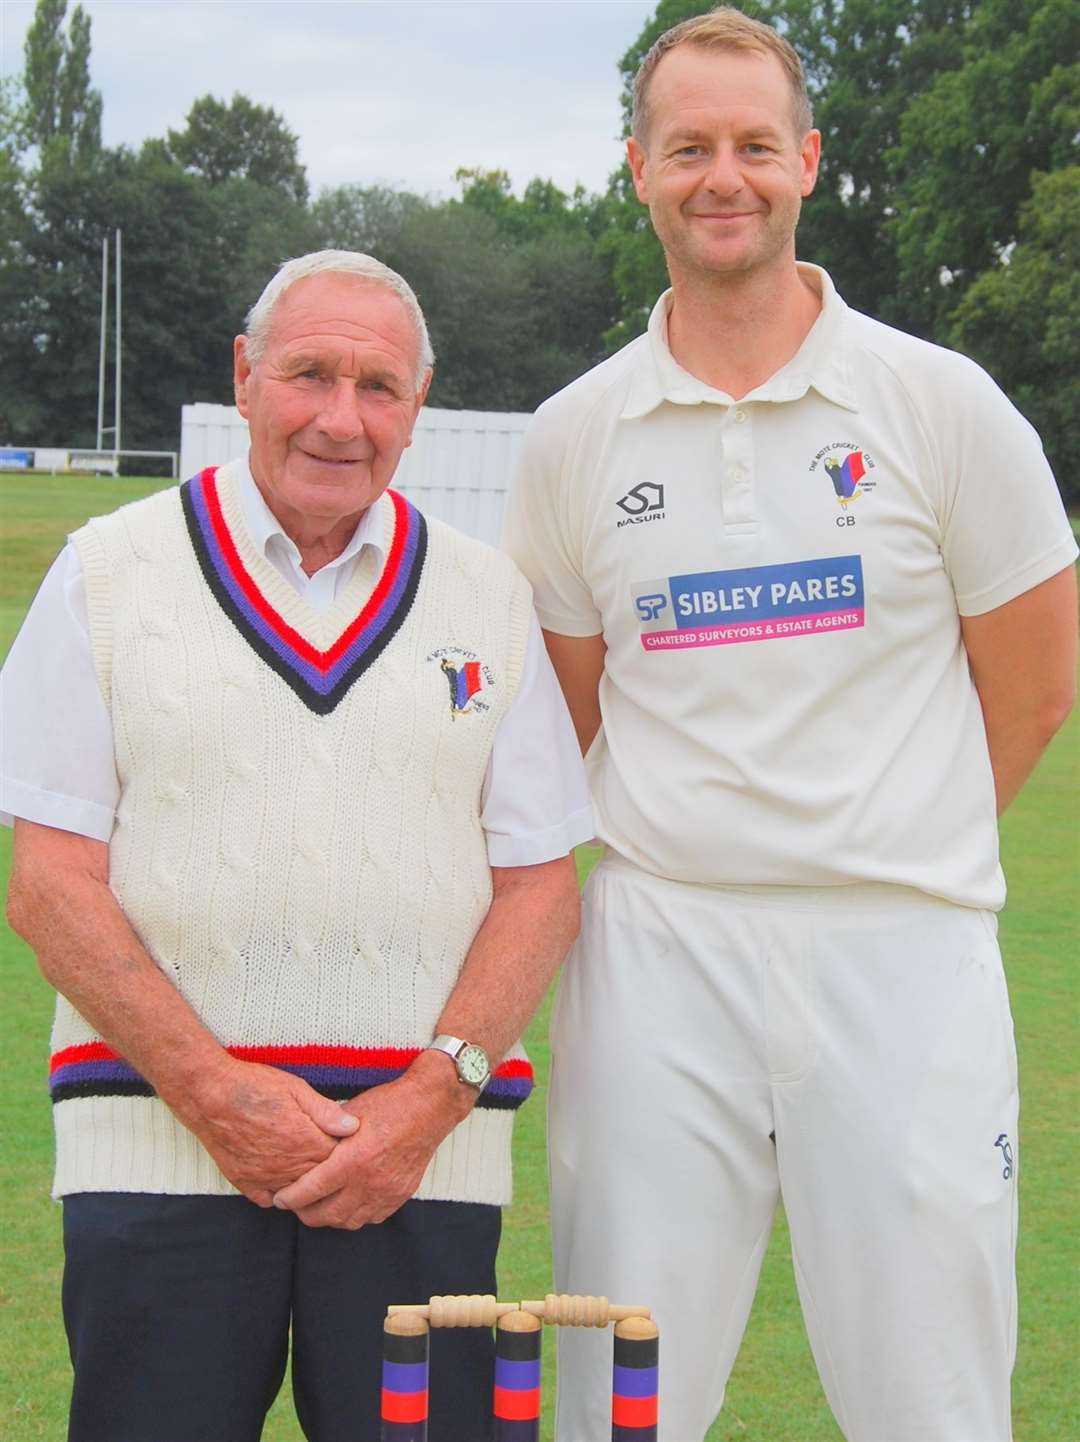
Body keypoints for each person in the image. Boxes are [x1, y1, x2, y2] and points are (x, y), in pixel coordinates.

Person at [502, 10, 1078, 1441]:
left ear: (808, 160)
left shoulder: (940, 404)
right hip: (657, 951)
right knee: (617, 1392)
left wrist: (886, 833)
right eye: (688, 146)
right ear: (635, 166)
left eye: (756, 145)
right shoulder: (574, 435)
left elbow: (1036, 680)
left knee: (932, 1397)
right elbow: (561, 725)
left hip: (902, 948)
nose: (724, 176)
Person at [1, 249, 593, 1442]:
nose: (340, 416)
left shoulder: (487, 597)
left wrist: (426, 1106)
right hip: (153, 1148)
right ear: (245, 375)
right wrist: (213, 1093)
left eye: (379, 387)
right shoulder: (106, 573)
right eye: (309, 373)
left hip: (422, 1170)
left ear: (417, 408)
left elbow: (540, 887)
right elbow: (50, 881)